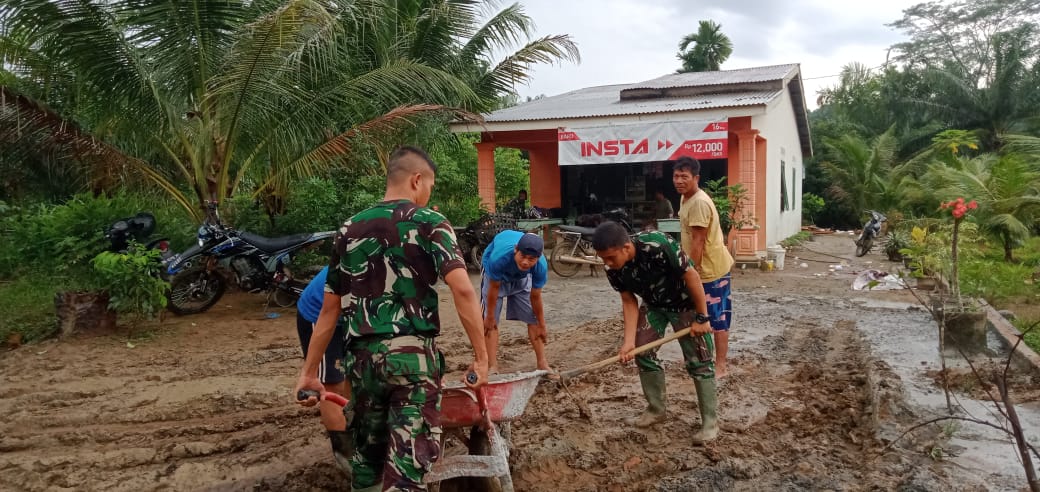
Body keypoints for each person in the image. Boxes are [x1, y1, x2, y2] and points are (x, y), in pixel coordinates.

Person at [294, 146, 489, 492]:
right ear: (417, 180)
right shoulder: (431, 223)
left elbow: (329, 309)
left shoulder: (348, 228)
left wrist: (309, 373)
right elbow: (462, 289)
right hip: (411, 362)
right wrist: (481, 356)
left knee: (367, 466)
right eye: (430, 186)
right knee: (407, 471)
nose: (429, 195)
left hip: (363, 363)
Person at [591, 221, 719, 445]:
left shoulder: (657, 245)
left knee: (700, 360)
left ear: (626, 247)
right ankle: (656, 409)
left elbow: (691, 276)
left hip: (686, 305)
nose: (608, 263)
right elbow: (628, 301)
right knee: (643, 352)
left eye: (611, 257)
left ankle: (710, 423)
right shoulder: (612, 268)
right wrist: (629, 342)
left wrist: (702, 317)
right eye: (603, 258)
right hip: (654, 306)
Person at [673, 156, 735, 378]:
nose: (679, 181)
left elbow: (698, 241)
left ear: (696, 178)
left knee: (716, 318)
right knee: (697, 316)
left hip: (711, 271)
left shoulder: (699, 202)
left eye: (684, 177)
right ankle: (699, 358)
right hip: (699, 269)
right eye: (676, 176)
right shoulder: (685, 198)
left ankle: (720, 365)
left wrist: (691, 274)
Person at [295, 266, 352, 470]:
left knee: (355, 376)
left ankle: (359, 437)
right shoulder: (357, 256)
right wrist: (309, 373)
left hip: (354, 316)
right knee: (331, 386)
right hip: (321, 314)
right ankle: (347, 460)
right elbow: (329, 311)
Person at [480, 230, 550, 373]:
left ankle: (542, 364)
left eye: (531, 259)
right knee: (489, 322)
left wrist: (542, 324)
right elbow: (494, 288)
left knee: (534, 320)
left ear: (538, 257)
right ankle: (492, 366)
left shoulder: (540, 266)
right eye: (523, 256)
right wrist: (490, 316)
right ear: (515, 250)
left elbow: (535, 297)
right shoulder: (498, 259)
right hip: (495, 277)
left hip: (521, 278)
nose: (525, 262)